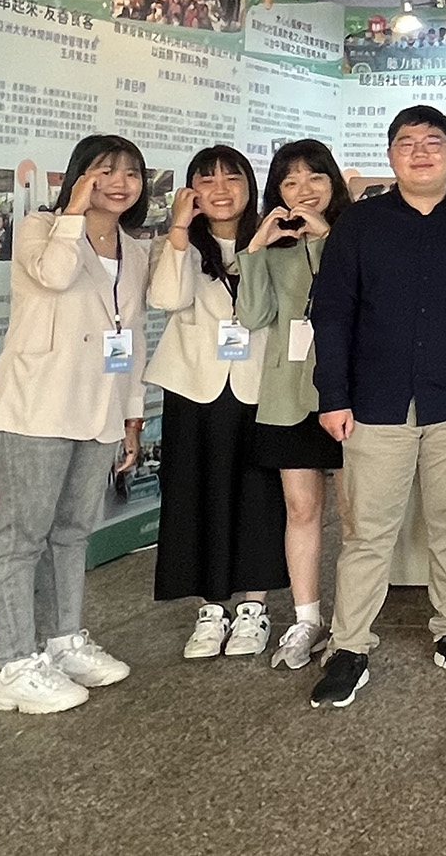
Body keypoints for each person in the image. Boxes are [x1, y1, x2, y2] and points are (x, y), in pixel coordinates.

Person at [307, 106, 446, 709]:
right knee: (367, 533)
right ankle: (349, 647)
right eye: (406, 143)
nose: (420, 152)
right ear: (391, 155)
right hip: (375, 405)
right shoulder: (361, 224)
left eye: (433, 142)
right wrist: (333, 397)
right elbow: (334, 313)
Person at [0, 136, 150, 714]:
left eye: (131, 172)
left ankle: (62, 642)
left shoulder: (134, 248)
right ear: (80, 175)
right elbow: (53, 277)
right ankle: (14, 664)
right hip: (36, 407)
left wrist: (133, 413)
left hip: (99, 409)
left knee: (72, 532)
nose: (120, 182)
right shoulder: (40, 227)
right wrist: (73, 213)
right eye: (106, 170)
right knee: (22, 536)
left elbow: (130, 336)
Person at [147, 145, 287, 660]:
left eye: (232, 178)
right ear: (192, 192)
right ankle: (210, 609)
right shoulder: (182, 245)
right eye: (207, 181)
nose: (220, 189)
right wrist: (179, 231)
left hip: (258, 385)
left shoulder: (273, 239)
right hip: (193, 387)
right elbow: (165, 299)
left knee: (258, 494)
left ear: (250, 186)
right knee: (195, 493)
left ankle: (253, 607)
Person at [236, 139, 351, 670]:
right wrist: (257, 246)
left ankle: (352, 624)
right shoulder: (272, 248)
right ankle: (306, 619)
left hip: (349, 393)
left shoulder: (356, 236)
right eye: (290, 182)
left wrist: (328, 237)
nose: (303, 192)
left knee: (357, 518)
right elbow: (254, 316)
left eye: (315, 179)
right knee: (302, 511)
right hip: (288, 396)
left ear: (333, 183)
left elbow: (361, 297)